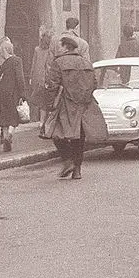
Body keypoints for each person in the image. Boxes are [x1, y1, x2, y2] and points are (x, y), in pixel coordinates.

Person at [44, 36, 108, 180]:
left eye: (60, 46)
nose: (58, 48)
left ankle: (68, 160)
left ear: (65, 47)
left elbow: (52, 85)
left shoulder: (58, 62)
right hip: (84, 104)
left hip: (65, 104)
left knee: (56, 133)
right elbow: (94, 83)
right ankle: (77, 169)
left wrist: (50, 104)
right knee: (79, 137)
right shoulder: (86, 63)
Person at [0, 37, 26, 152]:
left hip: (1, 92)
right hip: (13, 92)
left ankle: (4, 137)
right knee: (13, 116)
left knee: (3, 116)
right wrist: (23, 94)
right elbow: (20, 78)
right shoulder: (16, 60)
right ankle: (9, 136)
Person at [28, 30, 54, 123]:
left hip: (36, 77)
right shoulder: (50, 51)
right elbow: (48, 66)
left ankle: (34, 118)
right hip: (45, 78)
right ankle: (42, 121)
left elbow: (33, 64)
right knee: (44, 101)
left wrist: (31, 77)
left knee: (36, 98)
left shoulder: (37, 50)